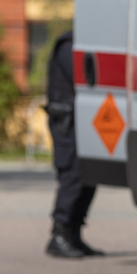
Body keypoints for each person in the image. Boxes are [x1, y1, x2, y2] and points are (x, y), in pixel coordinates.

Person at [44, 31, 102, 258]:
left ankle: (74, 234)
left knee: (89, 175)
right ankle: (59, 235)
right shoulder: (69, 45)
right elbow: (86, 76)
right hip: (67, 122)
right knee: (72, 175)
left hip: (81, 120)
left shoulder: (84, 42)